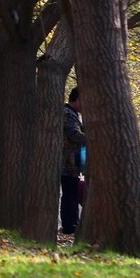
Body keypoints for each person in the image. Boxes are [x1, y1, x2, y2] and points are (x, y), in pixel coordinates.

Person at [61, 87, 85, 235]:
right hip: (67, 163)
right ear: (77, 99)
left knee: (72, 194)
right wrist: (95, 138)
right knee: (70, 195)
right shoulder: (68, 114)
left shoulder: (72, 114)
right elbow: (75, 134)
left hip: (71, 162)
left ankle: (72, 224)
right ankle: (69, 226)